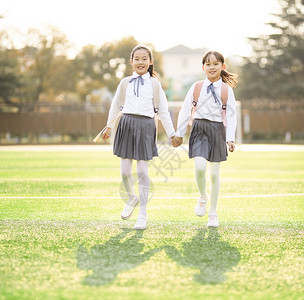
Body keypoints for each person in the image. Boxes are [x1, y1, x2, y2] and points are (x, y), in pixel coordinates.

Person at [102, 45, 176, 229]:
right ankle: (131, 198)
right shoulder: (125, 82)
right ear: (131, 62)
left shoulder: (155, 84)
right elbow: (115, 106)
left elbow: (164, 111)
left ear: (150, 62)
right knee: (125, 172)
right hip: (126, 125)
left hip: (146, 127)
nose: (140, 62)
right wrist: (109, 126)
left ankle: (143, 214)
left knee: (143, 172)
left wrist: (172, 134)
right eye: (137, 59)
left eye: (144, 59)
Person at [172, 50, 238, 228]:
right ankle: (203, 196)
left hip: (217, 130)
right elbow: (186, 111)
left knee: (215, 174)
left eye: (215, 64)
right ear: (203, 67)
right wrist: (179, 133)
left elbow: (231, 116)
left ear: (222, 66)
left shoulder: (226, 90)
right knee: (200, 167)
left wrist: (230, 138)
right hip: (199, 129)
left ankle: (213, 213)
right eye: (208, 64)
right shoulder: (196, 87)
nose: (212, 67)